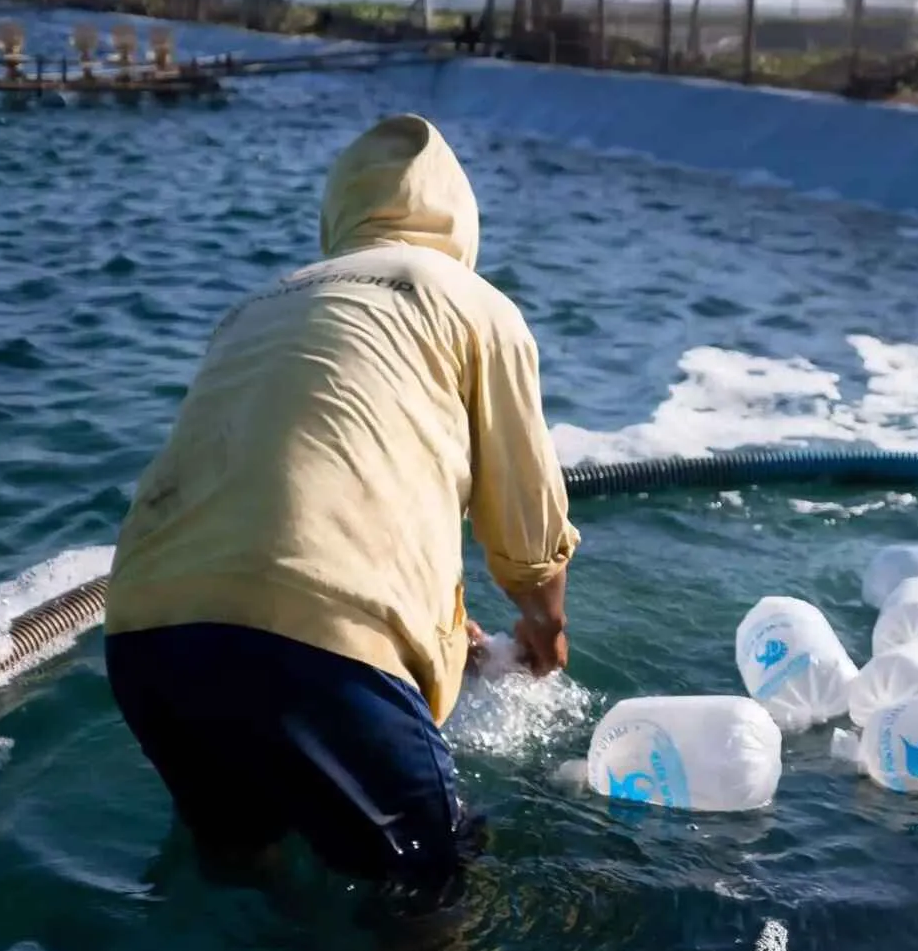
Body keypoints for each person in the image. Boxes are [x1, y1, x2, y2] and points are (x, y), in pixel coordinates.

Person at [104, 112, 579, 899]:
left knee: (238, 870)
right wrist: (543, 628)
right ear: (460, 219)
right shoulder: (468, 299)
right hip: (318, 651)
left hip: (146, 635)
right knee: (436, 888)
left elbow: (276, 492)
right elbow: (528, 527)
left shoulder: (262, 302)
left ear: (340, 213)